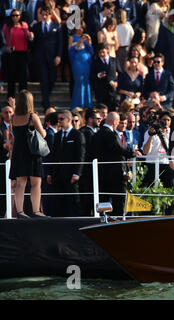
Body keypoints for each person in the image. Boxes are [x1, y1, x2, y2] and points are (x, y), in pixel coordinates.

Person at [9, 90, 48, 218]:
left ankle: (20, 212)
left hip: (18, 152)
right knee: (36, 183)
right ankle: (36, 211)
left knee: (20, 184)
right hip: (31, 152)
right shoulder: (32, 117)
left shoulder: (13, 117)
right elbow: (43, 134)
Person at [90, 111, 137, 216]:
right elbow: (118, 149)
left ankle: (102, 221)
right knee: (118, 202)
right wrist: (133, 153)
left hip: (101, 173)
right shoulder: (110, 134)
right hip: (114, 175)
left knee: (103, 201)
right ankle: (118, 222)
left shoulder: (97, 134)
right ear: (115, 122)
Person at [47, 110, 86, 217]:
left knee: (74, 201)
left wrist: (77, 173)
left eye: (61, 119)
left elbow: (80, 155)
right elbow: (53, 155)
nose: (58, 121)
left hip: (71, 174)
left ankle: (76, 223)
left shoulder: (77, 135)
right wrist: (50, 173)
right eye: (58, 119)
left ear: (68, 120)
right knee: (58, 201)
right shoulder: (57, 135)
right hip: (58, 174)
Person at [30, 5, 63, 110]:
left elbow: (60, 42)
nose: (44, 17)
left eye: (46, 15)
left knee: (52, 79)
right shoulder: (36, 26)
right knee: (43, 80)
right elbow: (33, 43)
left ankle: (46, 97)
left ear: (50, 15)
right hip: (40, 57)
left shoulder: (56, 25)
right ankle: (46, 103)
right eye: (42, 14)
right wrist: (31, 38)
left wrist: (58, 55)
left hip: (52, 56)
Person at [2, 9, 33, 99]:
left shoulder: (24, 25)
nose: (15, 17)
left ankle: (23, 99)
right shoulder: (7, 26)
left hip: (22, 53)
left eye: (17, 15)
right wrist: (6, 48)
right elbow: (3, 40)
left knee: (23, 77)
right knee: (11, 77)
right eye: (13, 15)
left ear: (20, 16)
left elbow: (28, 37)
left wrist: (30, 35)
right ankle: (11, 99)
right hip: (11, 53)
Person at [142, 110, 174, 188]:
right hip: (152, 164)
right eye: (164, 120)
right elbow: (145, 151)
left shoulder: (172, 133)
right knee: (149, 189)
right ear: (159, 120)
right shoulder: (149, 132)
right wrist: (151, 136)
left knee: (169, 188)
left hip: (166, 164)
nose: (166, 122)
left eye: (168, 120)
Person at [90, 43, 119, 111]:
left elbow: (120, 73)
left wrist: (116, 82)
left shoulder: (114, 60)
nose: (102, 54)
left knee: (112, 110)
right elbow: (91, 76)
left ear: (107, 51)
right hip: (101, 92)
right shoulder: (95, 62)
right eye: (100, 52)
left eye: (103, 52)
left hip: (112, 91)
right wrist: (98, 75)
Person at [69, 32, 94, 109]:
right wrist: (80, 42)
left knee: (86, 84)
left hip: (87, 66)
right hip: (78, 66)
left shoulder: (87, 45)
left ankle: (87, 105)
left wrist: (89, 42)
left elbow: (92, 53)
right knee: (79, 84)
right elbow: (70, 53)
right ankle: (77, 105)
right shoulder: (73, 42)